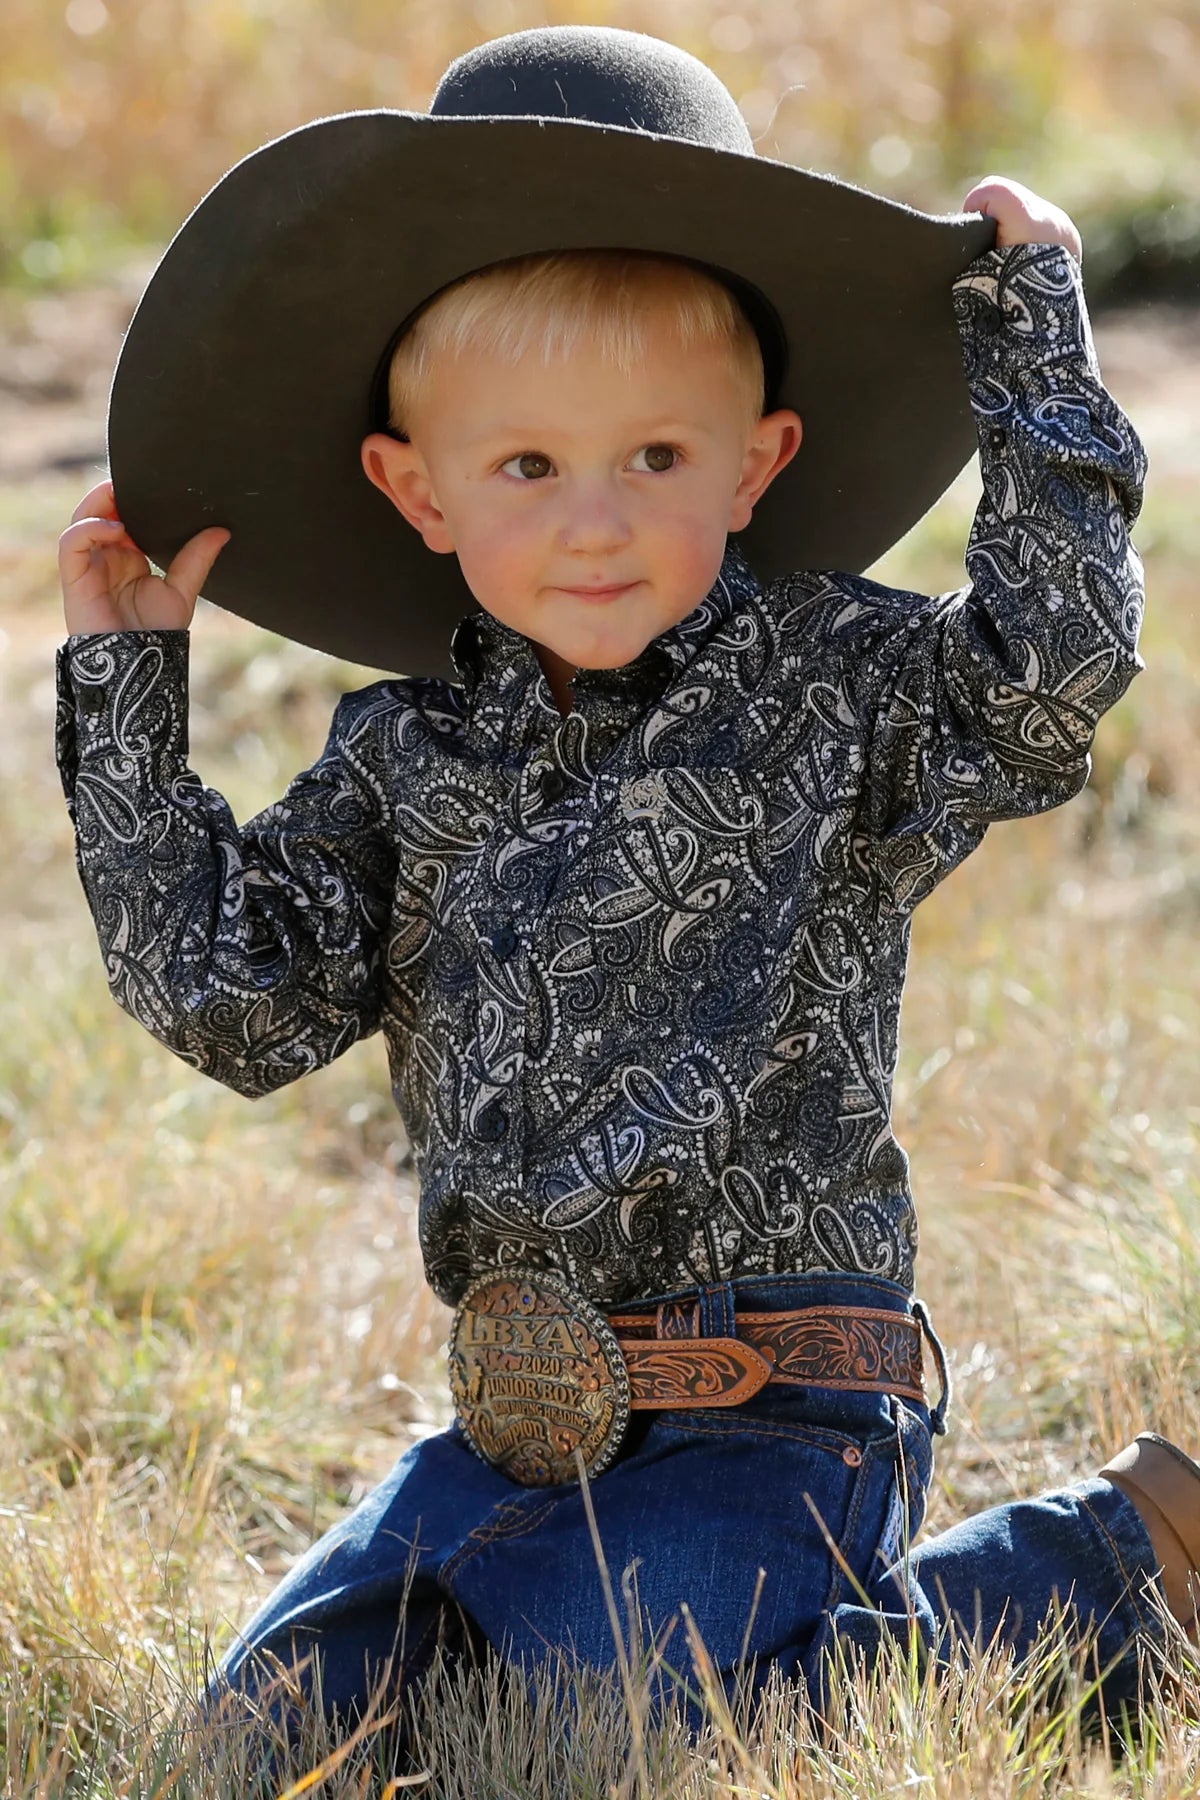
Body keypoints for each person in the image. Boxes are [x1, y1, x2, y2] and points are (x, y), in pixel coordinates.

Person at [55, 22, 1198, 1739]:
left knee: (631, 1729)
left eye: (658, 460)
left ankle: (1122, 1565)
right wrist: (128, 708)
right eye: (528, 466)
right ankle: (561, 1638)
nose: (597, 522)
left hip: (780, 1403)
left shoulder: (835, 686)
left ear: (757, 464)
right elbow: (234, 1005)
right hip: (508, 1428)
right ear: (413, 488)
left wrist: (1032, 339)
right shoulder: (397, 759)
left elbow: (1044, 680)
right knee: (261, 1741)